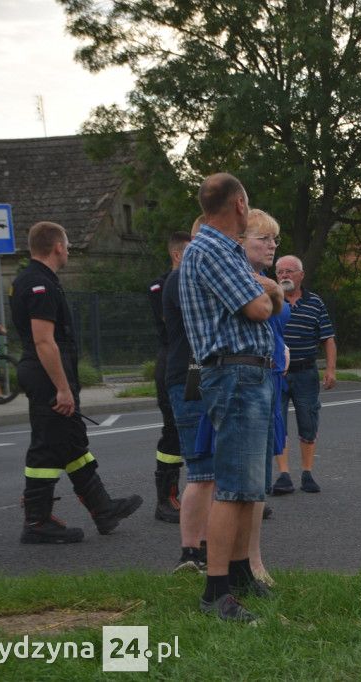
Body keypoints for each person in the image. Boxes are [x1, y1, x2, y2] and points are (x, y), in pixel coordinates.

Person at [179, 173, 282, 623]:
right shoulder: (213, 249)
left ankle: (239, 573)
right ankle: (215, 591)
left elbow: (264, 302)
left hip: (247, 372)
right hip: (235, 373)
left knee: (248, 486)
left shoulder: (223, 249)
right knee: (234, 487)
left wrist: (267, 292)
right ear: (239, 203)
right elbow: (260, 308)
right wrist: (270, 291)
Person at [12, 221, 143, 544]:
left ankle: (103, 508)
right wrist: (62, 388)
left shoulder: (33, 280)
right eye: (67, 245)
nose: (69, 250)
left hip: (45, 370)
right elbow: (44, 341)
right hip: (47, 374)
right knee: (47, 446)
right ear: (57, 246)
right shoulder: (40, 284)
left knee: (71, 440)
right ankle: (37, 521)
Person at [240, 208, 290, 586]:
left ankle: (250, 559)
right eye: (264, 238)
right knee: (246, 478)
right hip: (248, 378)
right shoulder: (242, 278)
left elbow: (278, 317)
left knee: (259, 477)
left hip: (269, 376)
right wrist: (272, 289)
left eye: (275, 239)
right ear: (240, 241)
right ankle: (247, 561)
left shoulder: (265, 279)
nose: (272, 245)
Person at [163, 222, 215, 573]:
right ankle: (191, 552)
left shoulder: (192, 275)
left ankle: (207, 546)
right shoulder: (182, 278)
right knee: (201, 471)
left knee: (211, 471)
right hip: (190, 379)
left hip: (203, 376)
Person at [270, 254, 336, 494]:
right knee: (277, 422)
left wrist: (330, 370)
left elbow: (328, 338)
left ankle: (307, 473)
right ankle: (284, 475)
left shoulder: (315, 302)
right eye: (280, 272)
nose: (284, 275)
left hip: (306, 372)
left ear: (301, 275)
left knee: (308, 421)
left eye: (289, 271)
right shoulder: (269, 301)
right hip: (276, 373)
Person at [148, 234, 190, 523]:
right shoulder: (161, 285)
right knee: (173, 428)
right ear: (177, 255)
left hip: (192, 361)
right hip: (172, 361)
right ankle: (166, 498)